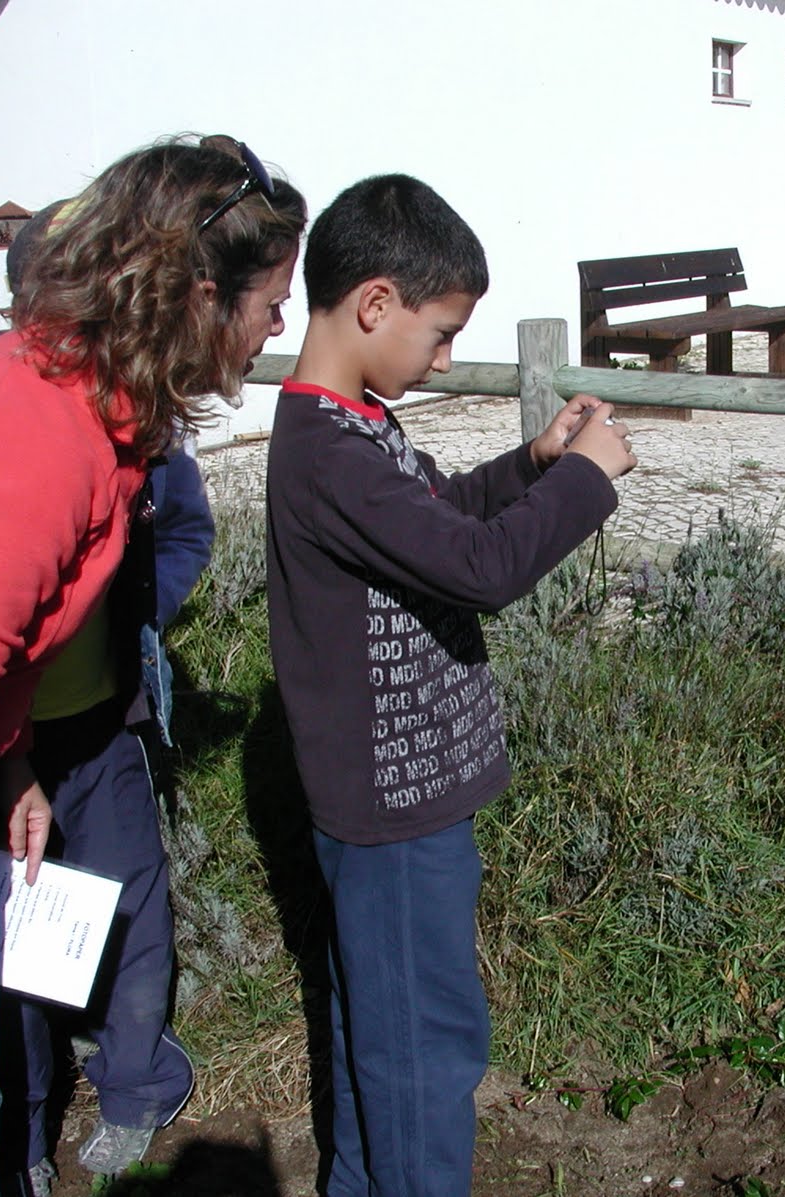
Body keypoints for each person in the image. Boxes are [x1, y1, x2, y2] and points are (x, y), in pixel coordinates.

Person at [0, 134, 306, 1197]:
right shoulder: (38, 444)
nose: (280, 325)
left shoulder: (96, 410)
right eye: (271, 300)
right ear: (201, 295)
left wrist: (10, 758)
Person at [266, 174, 635, 1196]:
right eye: (440, 334)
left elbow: (439, 518)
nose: (442, 358)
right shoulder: (330, 454)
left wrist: (535, 462)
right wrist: (586, 478)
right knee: (420, 1051)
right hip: (392, 819)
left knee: (385, 1037)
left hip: (408, 804)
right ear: (374, 303)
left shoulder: (353, 427)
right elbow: (479, 568)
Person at [0, 199, 215, 1197]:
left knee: (130, 902)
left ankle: (135, 1088)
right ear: (20, 306)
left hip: (103, 723)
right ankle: (25, 1124)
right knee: (13, 935)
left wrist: (137, 617)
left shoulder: (141, 425)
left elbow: (186, 528)